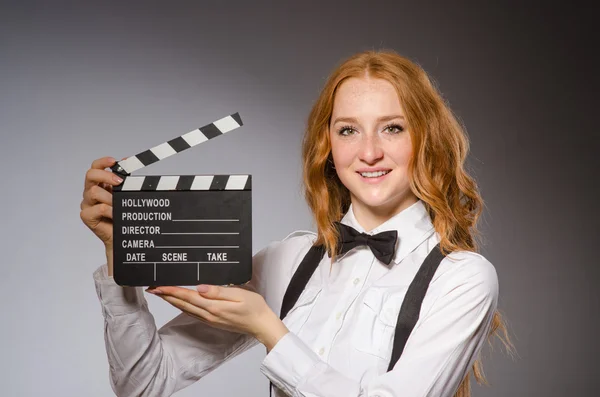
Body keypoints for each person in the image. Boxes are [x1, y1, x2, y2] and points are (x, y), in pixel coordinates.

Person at [80, 49, 513, 397]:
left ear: (426, 139)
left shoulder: (464, 279)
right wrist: (124, 264)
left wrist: (270, 331)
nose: (369, 152)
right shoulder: (286, 261)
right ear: (328, 146)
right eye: (348, 131)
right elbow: (145, 385)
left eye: (392, 128)